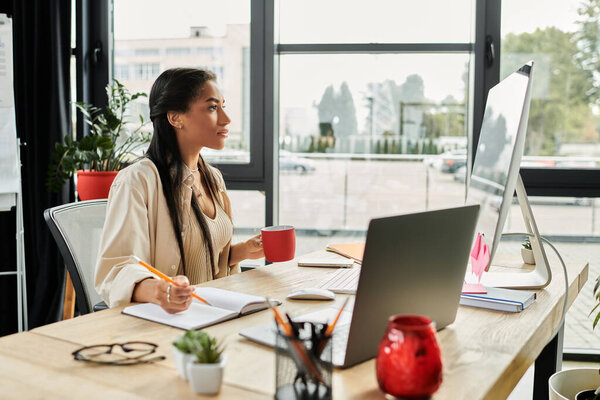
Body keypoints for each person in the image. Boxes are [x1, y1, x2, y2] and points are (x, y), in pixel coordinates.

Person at [95, 68, 264, 313]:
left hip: (210, 313)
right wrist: (160, 291)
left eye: (223, 106)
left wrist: (242, 251)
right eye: (212, 108)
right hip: (167, 322)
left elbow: (201, 262)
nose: (226, 119)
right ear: (175, 118)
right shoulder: (138, 181)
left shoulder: (212, 178)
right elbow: (116, 271)